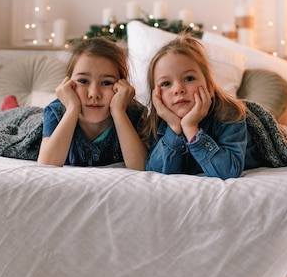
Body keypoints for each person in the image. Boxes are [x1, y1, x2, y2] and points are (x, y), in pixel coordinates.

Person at [143, 32, 266, 179]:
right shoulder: (157, 122)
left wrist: (191, 128)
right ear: (155, 95)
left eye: (189, 78)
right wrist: (174, 128)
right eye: (166, 84)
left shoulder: (230, 114)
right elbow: (155, 172)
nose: (178, 89)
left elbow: (227, 172)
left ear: (208, 85)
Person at [38, 37, 148, 169]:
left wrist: (119, 112)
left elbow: (141, 166)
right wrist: (73, 109)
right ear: (68, 83)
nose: (94, 93)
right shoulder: (56, 110)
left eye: (107, 83)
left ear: (122, 85)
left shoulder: (133, 113)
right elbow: (46, 164)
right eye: (83, 81)